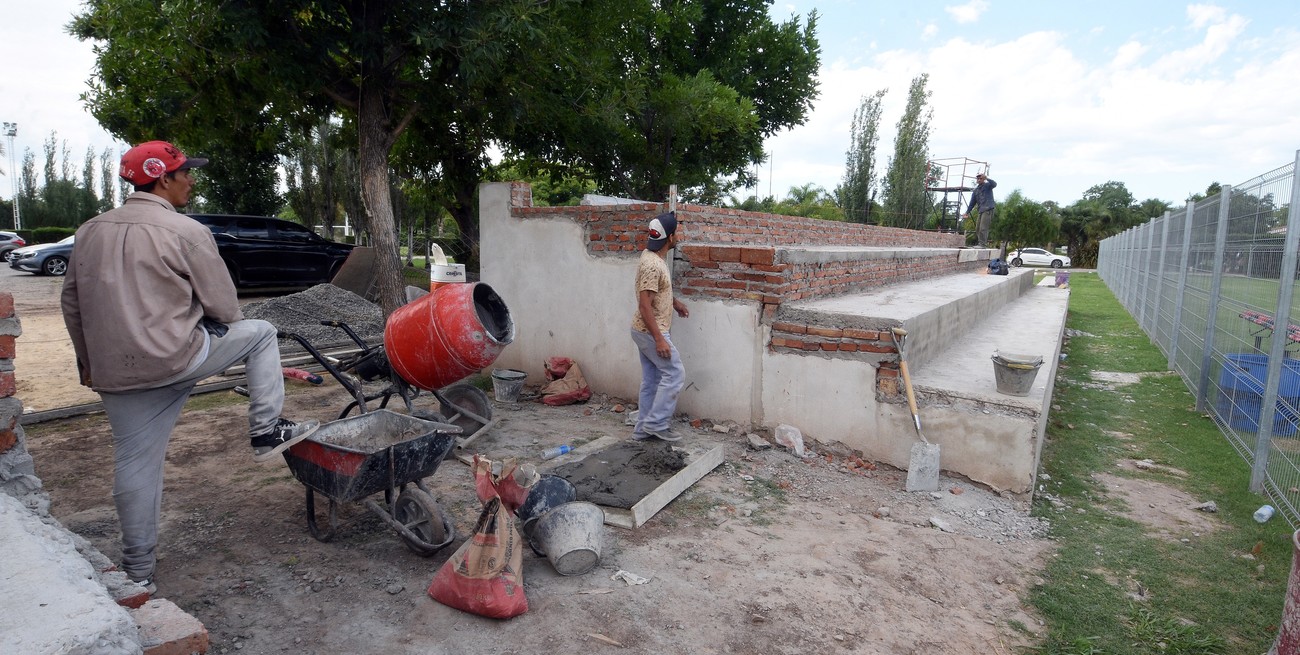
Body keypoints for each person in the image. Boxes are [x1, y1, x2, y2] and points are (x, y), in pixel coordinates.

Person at [61, 140, 319, 592]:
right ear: (163, 179)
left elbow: (72, 304)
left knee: (135, 465)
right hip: (177, 357)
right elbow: (225, 308)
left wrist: (90, 362)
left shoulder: (89, 231)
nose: (191, 180)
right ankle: (266, 430)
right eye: (185, 173)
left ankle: (137, 572)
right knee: (260, 332)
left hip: (117, 372)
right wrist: (210, 327)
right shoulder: (184, 230)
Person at [630, 212, 689, 442]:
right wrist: (659, 339)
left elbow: (657, 292)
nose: (678, 237)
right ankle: (656, 423)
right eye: (677, 233)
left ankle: (642, 431)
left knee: (652, 380)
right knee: (675, 373)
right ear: (670, 237)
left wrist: (675, 303)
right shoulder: (653, 265)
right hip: (650, 331)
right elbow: (645, 305)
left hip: (644, 329)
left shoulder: (651, 255)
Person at [963, 172, 998, 247]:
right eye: (978, 178)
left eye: (980, 178)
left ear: (983, 179)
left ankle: (982, 244)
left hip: (988, 209)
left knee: (983, 228)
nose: (979, 180)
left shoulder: (988, 185)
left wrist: (987, 178)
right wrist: (967, 212)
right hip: (981, 210)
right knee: (978, 228)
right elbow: (972, 203)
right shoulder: (976, 190)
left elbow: (994, 184)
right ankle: (981, 243)